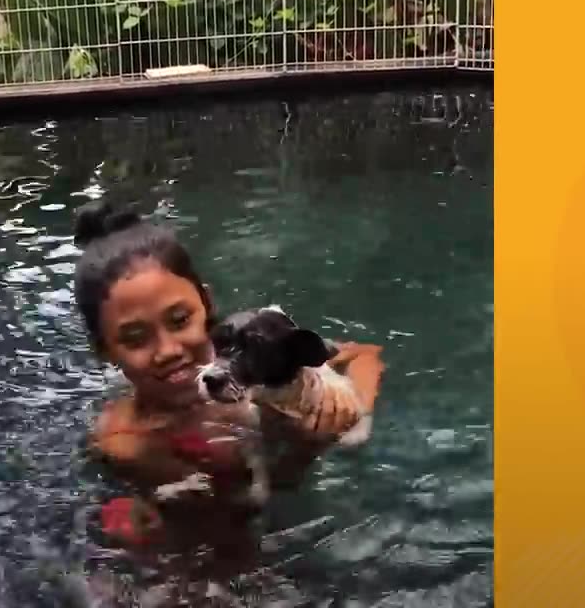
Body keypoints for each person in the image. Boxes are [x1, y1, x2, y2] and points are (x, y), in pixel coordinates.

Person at [73, 200, 386, 542]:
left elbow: (365, 355)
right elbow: (241, 509)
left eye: (180, 321)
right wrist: (305, 448)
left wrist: (352, 408)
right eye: (135, 339)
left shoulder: (250, 346)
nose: (168, 351)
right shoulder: (129, 444)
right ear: (103, 351)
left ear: (206, 305)